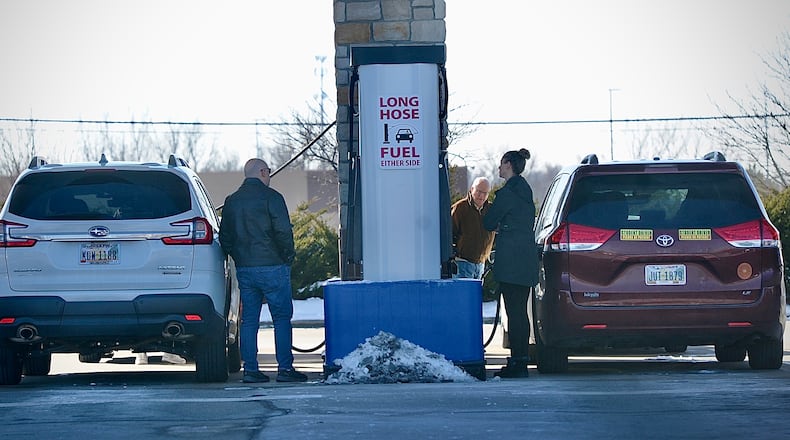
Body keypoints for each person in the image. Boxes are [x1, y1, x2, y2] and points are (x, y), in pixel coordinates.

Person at [219, 158, 307, 383]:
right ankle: (285, 369)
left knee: (249, 321)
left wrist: (239, 257)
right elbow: (283, 232)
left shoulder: (232, 201)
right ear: (261, 172)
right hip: (273, 266)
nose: (269, 175)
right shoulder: (272, 198)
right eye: (268, 171)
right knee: (281, 318)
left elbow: (225, 238)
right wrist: (287, 257)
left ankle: (250, 370)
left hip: (246, 269)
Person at [483, 148, 539, 378]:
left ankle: (517, 364)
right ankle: (520, 360)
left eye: (501, 164)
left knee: (514, 312)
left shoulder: (508, 194)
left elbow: (488, 221)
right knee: (520, 313)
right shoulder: (526, 191)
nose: (498, 168)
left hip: (511, 262)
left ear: (508, 165)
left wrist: (499, 225)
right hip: (525, 260)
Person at [451, 177, 495, 279]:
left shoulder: (491, 210)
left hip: (481, 264)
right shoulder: (460, 208)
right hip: (462, 263)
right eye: (479, 191)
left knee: (475, 295)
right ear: (472, 189)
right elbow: (449, 234)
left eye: (485, 193)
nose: (482, 196)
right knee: (463, 294)